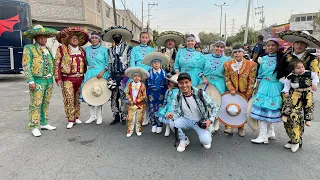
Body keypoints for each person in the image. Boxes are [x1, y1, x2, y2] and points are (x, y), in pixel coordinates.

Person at [166, 72, 219, 152]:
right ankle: (184, 139)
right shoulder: (177, 96)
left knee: (206, 142)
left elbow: (215, 106)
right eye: (181, 83)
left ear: (190, 82)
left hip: (200, 121)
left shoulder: (200, 93)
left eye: (186, 82)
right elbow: (175, 111)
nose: (184, 85)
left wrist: (210, 120)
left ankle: (208, 130)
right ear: (178, 84)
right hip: (185, 119)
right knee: (172, 122)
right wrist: (171, 114)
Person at [22, 25, 58, 137]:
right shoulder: (29, 48)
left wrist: (55, 77)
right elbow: (26, 65)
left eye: (44, 37)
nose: (43, 39)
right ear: (36, 38)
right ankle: (33, 126)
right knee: (35, 103)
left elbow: (52, 63)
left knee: (46, 103)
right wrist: (30, 81)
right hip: (37, 81)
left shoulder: (47, 49)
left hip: (48, 80)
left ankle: (44, 123)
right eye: (40, 37)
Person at [250, 38, 287, 144]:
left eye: (273, 45)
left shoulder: (282, 59)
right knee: (263, 108)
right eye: (268, 45)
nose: (270, 47)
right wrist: (257, 87)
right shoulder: (262, 59)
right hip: (264, 86)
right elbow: (260, 74)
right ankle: (270, 132)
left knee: (267, 109)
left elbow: (284, 74)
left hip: (275, 86)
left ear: (277, 47)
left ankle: (264, 136)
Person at [54, 27, 89, 129]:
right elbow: (56, 64)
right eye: (73, 38)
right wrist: (58, 78)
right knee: (69, 98)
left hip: (80, 78)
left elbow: (85, 64)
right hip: (67, 78)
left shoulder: (82, 50)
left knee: (77, 98)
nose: (75, 40)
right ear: (68, 39)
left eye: (76, 38)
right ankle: (70, 119)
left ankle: (76, 116)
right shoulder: (62, 49)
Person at [281, 59, 319, 152]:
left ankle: (308, 119)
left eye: (302, 67)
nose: (301, 69)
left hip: (307, 92)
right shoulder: (291, 76)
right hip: (296, 93)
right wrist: (285, 91)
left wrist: (314, 84)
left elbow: (315, 77)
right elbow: (286, 84)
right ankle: (285, 115)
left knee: (309, 105)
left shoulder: (309, 73)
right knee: (289, 105)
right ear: (293, 69)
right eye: (298, 68)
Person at [223, 44, 257, 136]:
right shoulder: (227, 64)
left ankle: (241, 127)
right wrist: (231, 88)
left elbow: (251, 80)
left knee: (242, 109)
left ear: (243, 53)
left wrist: (249, 92)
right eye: (235, 52)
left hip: (244, 91)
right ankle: (228, 127)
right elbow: (227, 78)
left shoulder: (251, 64)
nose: (237, 54)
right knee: (230, 107)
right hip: (231, 91)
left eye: (239, 52)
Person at [102, 26, 133, 125]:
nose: (117, 38)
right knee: (114, 97)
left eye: (118, 37)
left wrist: (129, 75)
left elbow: (130, 62)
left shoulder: (128, 48)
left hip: (125, 76)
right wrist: (110, 76)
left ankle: (124, 116)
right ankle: (116, 115)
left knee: (124, 96)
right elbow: (110, 63)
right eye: (115, 37)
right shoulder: (110, 50)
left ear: (122, 38)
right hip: (114, 76)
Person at [199, 41, 231, 132]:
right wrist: (204, 78)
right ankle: (206, 121)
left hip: (219, 82)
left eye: (221, 47)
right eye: (217, 46)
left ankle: (216, 120)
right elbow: (199, 69)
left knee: (217, 102)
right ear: (214, 47)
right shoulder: (205, 57)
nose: (219, 49)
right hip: (206, 82)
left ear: (224, 49)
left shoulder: (227, 59)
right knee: (205, 102)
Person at [82, 32, 109, 125]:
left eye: (96, 38)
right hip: (90, 73)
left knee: (99, 94)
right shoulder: (86, 49)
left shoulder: (104, 50)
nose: (94, 39)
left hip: (101, 73)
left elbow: (108, 62)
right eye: (92, 38)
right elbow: (85, 62)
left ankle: (99, 116)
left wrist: (102, 72)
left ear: (99, 40)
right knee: (89, 94)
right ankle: (92, 115)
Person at [144, 52, 168, 133]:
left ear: (161, 64)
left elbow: (166, 85)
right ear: (151, 64)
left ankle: (159, 124)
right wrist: (145, 94)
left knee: (160, 108)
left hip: (161, 93)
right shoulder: (148, 73)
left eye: (158, 62)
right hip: (151, 93)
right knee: (151, 108)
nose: (156, 64)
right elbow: (145, 84)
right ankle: (153, 124)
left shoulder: (164, 73)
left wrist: (166, 94)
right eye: (154, 62)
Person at [124, 67, 149, 137]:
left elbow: (144, 96)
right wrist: (130, 100)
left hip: (140, 105)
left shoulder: (142, 86)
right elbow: (127, 93)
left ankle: (139, 129)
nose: (136, 78)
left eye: (138, 76)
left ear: (141, 78)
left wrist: (137, 100)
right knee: (130, 118)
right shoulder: (130, 85)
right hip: (131, 104)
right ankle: (130, 130)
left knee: (139, 118)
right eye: (135, 76)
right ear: (132, 77)